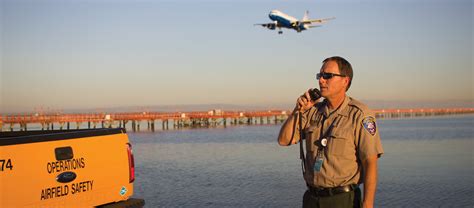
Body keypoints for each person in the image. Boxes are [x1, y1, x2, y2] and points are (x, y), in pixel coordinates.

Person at [278, 56, 384, 208]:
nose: (321, 80)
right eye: (319, 76)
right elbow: (284, 140)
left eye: (327, 76)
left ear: (345, 81)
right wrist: (298, 110)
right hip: (312, 199)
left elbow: (370, 162)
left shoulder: (360, 115)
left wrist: (368, 204)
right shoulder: (313, 112)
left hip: (342, 200)